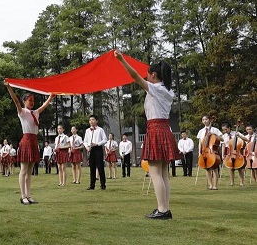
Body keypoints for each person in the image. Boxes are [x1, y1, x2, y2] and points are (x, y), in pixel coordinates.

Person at [115, 50, 180, 219]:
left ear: (154, 74)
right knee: (163, 172)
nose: (146, 77)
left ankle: (162, 209)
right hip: (165, 129)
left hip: (156, 129)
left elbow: (135, 76)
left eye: (148, 74)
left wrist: (122, 60)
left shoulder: (156, 89)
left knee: (155, 172)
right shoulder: (166, 90)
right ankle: (165, 208)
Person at [5, 81, 54, 204]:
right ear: (24, 102)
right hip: (26, 141)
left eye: (33, 101)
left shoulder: (35, 112)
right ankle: (23, 196)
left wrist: (50, 97)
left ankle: (28, 195)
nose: (32, 102)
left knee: (29, 172)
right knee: (23, 170)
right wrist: (9, 87)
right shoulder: (22, 112)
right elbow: (15, 100)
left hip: (33, 141)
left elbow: (44, 106)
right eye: (29, 100)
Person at [196, 115, 223, 190]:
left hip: (212, 151)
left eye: (206, 119)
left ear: (209, 120)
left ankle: (215, 185)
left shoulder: (215, 129)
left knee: (215, 168)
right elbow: (200, 143)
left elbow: (222, 139)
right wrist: (199, 152)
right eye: (203, 119)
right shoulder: (201, 131)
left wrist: (214, 134)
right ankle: (210, 185)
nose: (205, 121)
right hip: (204, 151)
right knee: (207, 168)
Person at [83, 115, 107, 191]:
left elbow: (105, 140)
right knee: (92, 167)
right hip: (91, 149)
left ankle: (103, 184)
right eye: (90, 120)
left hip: (98, 148)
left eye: (93, 120)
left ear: (96, 121)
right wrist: (87, 147)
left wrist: (97, 144)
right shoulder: (87, 130)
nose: (91, 121)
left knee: (100, 167)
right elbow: (85, 141)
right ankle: (92, 185)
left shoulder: (100, 130)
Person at [221, 122, 248, 187]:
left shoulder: (235, 133)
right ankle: (232, 182)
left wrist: (239, 135)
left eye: (226, 129)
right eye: (223, 130)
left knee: (240, 168)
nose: (224, 131)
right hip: (229, 152)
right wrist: (222, 155)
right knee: (230, 168)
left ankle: (241, 182)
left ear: (229, 128)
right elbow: (223, 145)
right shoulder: (224, 136)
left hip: (237, 152)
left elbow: (245, 139)